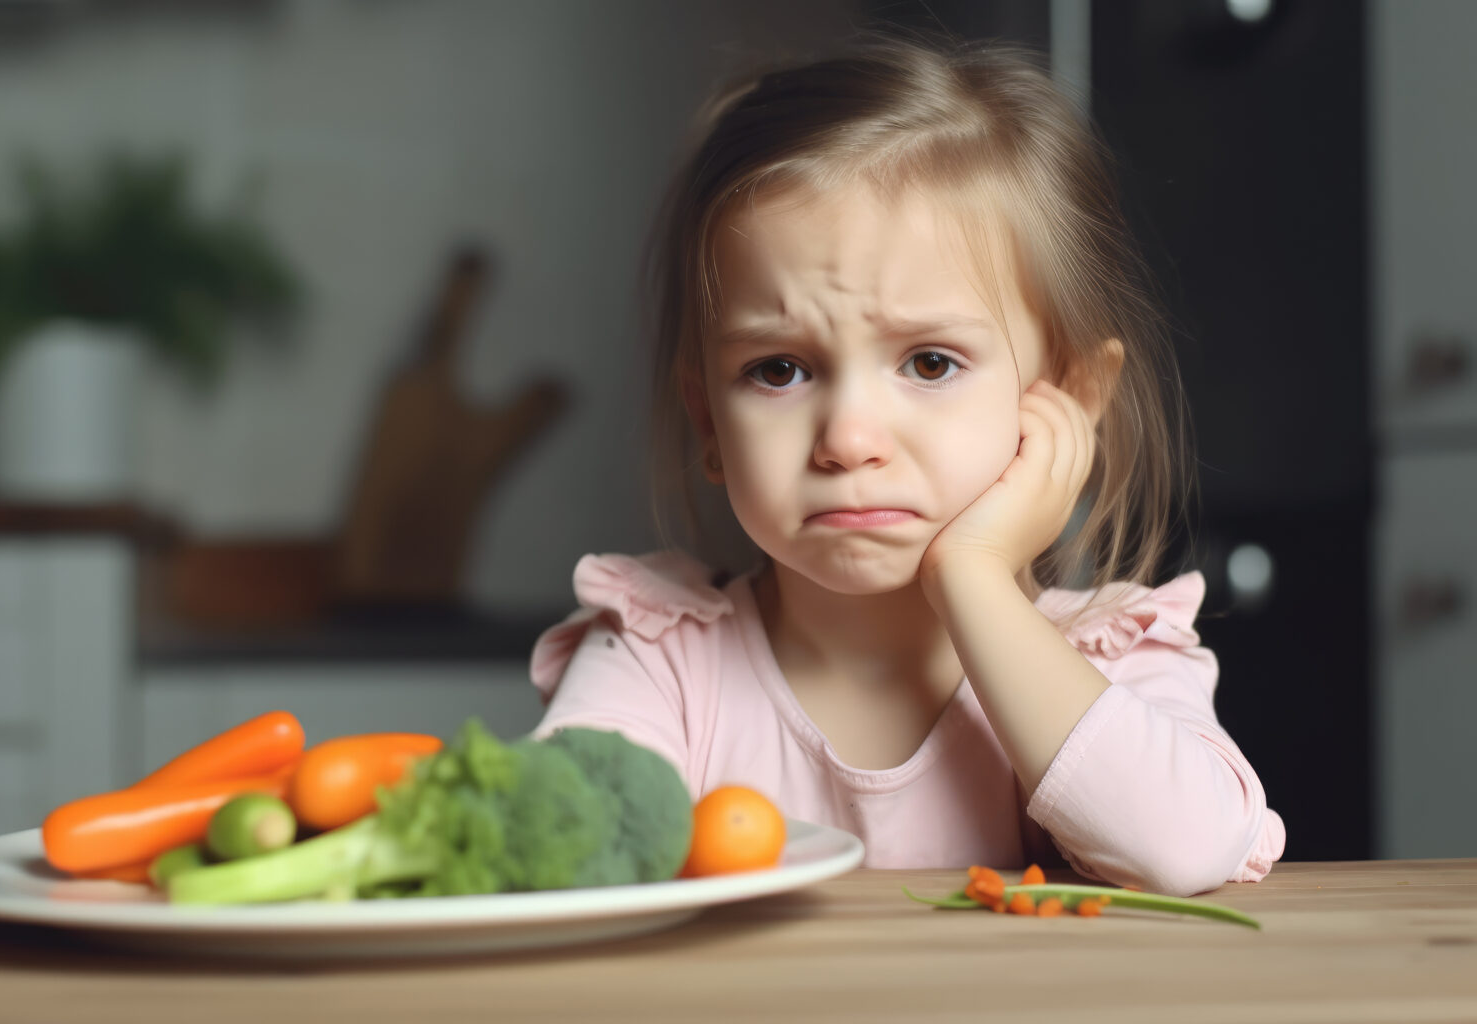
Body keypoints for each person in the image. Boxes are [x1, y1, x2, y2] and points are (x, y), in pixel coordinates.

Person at [527, 32, 1285, 896]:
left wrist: (974, 580)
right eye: (778, 369)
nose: (848, 439)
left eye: (930, 363)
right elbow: (554, 852)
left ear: (1069, 398)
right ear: (708, 417)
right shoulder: (662, 662)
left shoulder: (1110, 658)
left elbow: (1184, 851)